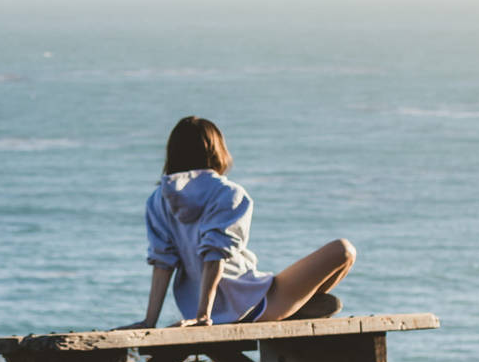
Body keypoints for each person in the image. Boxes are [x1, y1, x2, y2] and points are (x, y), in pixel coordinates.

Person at [122, 115, 356, 328]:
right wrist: (204, 318)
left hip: (201, 311)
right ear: (216, 150)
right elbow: (215, 256)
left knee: (335, 259)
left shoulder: (157, 200)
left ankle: (301, 307)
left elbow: (163, 263)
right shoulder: (228, 193)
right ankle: (299, 309)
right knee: (344, 251)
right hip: (253, 305)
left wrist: (149, 321)